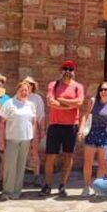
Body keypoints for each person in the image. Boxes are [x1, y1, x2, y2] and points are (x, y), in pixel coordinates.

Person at [42, 60, 85, 197]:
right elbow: (51, 103)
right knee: (50, 156)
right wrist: (69, 106)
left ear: (74, 72)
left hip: (71, 125)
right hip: (55, 124)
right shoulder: (53, 85)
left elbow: (79, 102)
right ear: (61, 70)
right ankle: (47, 185)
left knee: (68, 155)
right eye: (65, 69)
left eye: (70, 69)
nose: (68, 71)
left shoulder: (78, 87)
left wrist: (62, 100)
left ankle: (62, 184)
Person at [0, 80, 38, 199]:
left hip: (26, 139)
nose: (24, 92)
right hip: (12, 138)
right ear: (17, 91)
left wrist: (33, 139)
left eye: (26, 90)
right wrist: (1, 141)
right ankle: (7, 191)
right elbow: (1, 123)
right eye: (22, 90)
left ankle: (17, 191)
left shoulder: (31, 105)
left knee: (21, 166)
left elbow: (33, 123)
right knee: (10, 166)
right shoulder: (9, 103)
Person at [78, 82, 107, 197]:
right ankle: (86, 187)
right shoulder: (93, 101)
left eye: (106, 89)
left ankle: (97, 187)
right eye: (101, 89)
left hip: (105, 136)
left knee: (102, 164)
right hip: (91, 133)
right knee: (88, 163)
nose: (103, 92)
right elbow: (85, 115)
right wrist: (81, 130)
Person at [23, 76, 45, 187]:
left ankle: (36, 175)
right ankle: (20, 176)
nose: (28, 86)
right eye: (26, 83)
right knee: (22, 152)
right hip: (21, 127)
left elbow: (41, 115)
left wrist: (42, 130)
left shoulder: (37, 98)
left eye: (30, 84)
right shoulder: (19, 96)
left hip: (33, 127)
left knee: (34, 152)